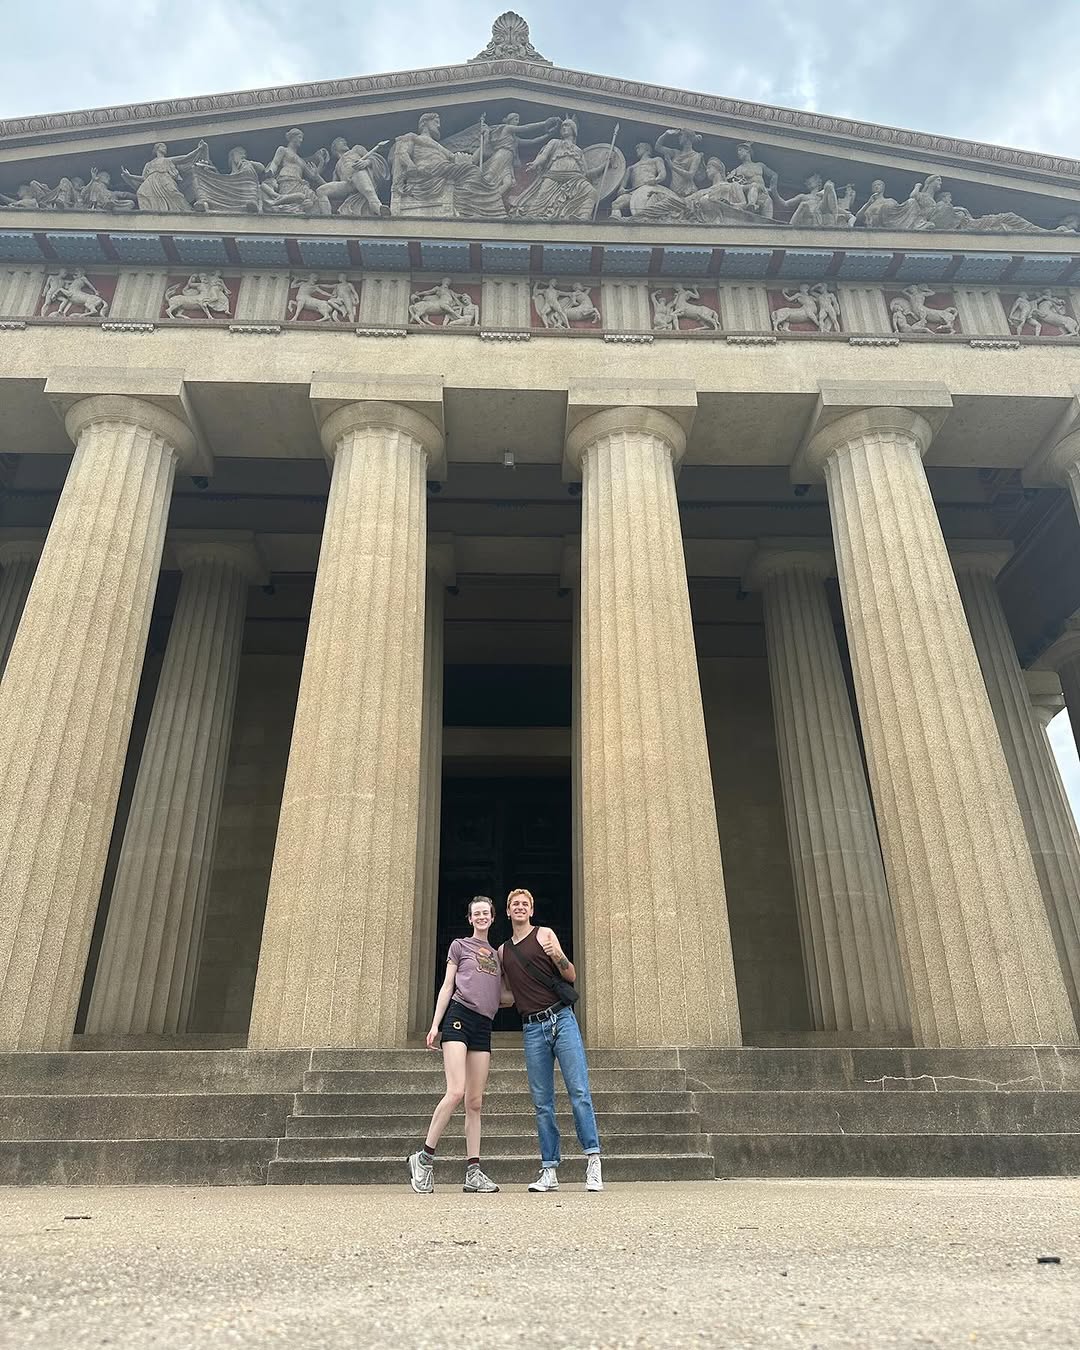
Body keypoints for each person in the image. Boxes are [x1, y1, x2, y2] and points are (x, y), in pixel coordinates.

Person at [499, 887, 602, 1193]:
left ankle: (593, 1162)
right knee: (542, 1103)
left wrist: (556, 954)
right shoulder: (503, 952)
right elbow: (507, 995)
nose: (520, 907)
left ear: (531, 910)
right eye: (515, 904)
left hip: (562, 1019)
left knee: (579, 1091)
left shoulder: (545, 934)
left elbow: (570, 976)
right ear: (508, 911)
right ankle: (549, 1169)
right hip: (532, 1028)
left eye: (524, 904)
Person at [406, 897, 503, 1195]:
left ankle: (473, 1172)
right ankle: (423, 1159)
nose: (482, 917)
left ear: (493, 918)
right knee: (456, 1091)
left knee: (475, 1101)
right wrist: (435, 1025)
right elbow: (448, 985)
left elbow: (505, 995)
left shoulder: (498, 955)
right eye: (476, 913)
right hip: (459, 1017)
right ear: (470, 919)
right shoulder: (460, 946)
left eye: (486, 913)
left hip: (484, 1025)